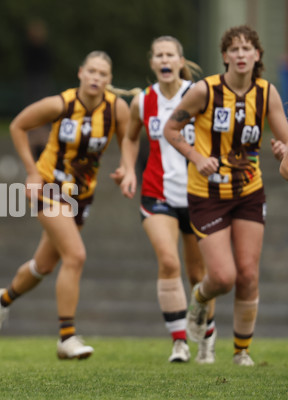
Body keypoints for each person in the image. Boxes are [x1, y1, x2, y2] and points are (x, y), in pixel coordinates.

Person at [0, 51, 130, 359]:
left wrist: (127, 166)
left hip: (81, 195)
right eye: (91, 71)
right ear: (80, 73)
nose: (96, 78)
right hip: (49, 187)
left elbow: (129, 139)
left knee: (44, 266)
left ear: (109, 80)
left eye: (102, 74)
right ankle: (67, 337)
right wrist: (32, 171)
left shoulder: (118, 109)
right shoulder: (61, 104)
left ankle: (3, 299)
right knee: (75, 255)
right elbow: (17, 126)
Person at [163, 25, 288, 366]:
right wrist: (196, 157)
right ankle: (200, 298)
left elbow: (287, 145)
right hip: (207, 194)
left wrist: (282, 155)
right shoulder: (205, 91)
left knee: (248, 273)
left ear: (257, 55)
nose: (241, 54)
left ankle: (241, 352)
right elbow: (170, 129)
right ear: (225, 56)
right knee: (223, 277)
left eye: (248, 48)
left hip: (249, 191)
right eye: (234, 49)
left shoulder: (267, 94)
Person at [117, 36, 217, 364]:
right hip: (157, 193)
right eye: (158, 54)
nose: (164, 59)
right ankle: (179, 343)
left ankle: (206, 337)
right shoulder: (142, 101)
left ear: (179, 60)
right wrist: (128, 169)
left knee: (198, 273)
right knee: (169, 262)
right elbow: (131, 137)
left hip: (199, 195)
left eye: (169, 54)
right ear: (152, 62)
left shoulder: (198, 94)